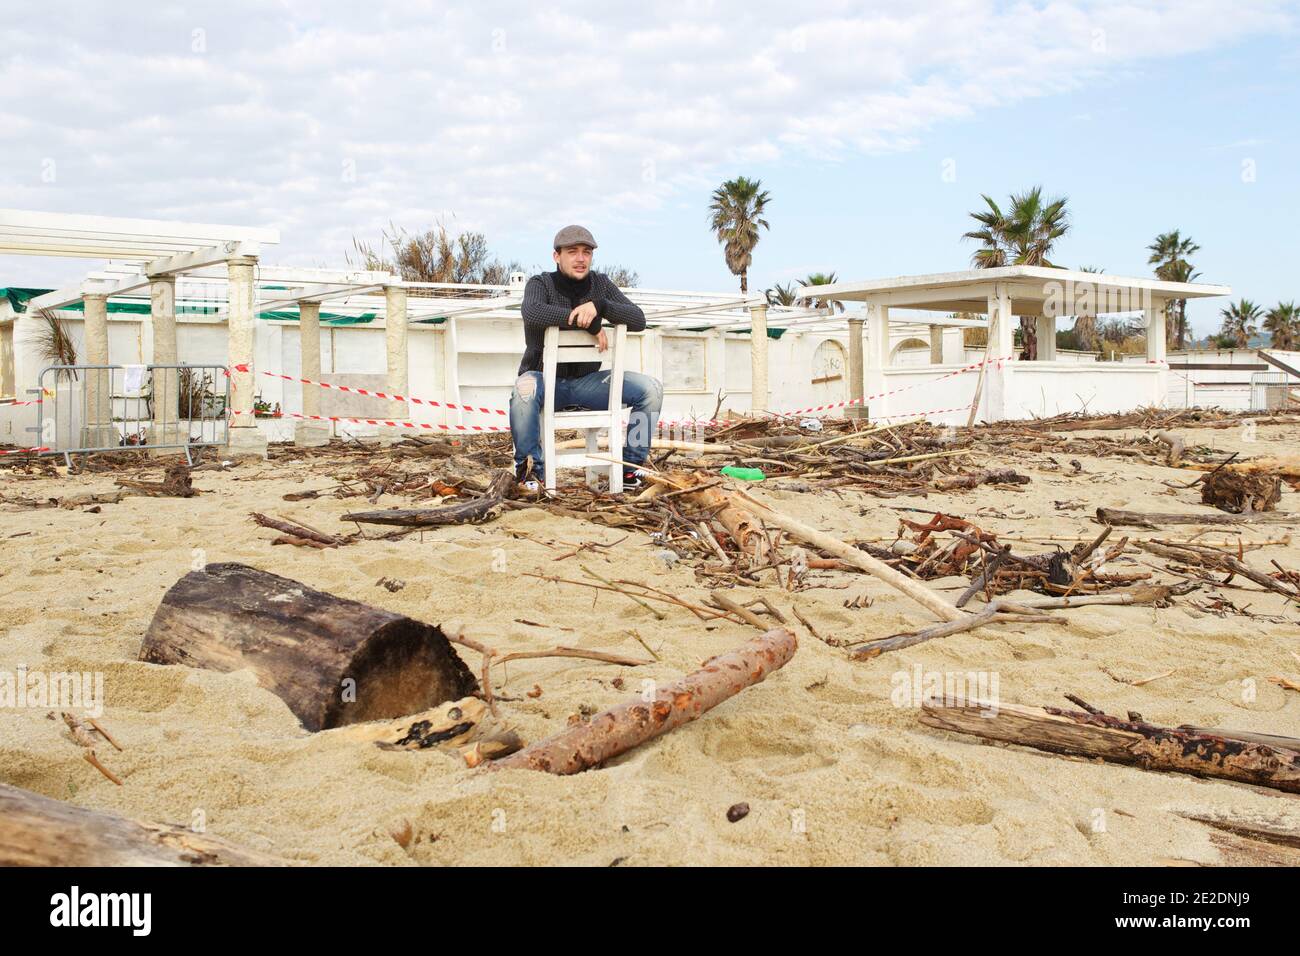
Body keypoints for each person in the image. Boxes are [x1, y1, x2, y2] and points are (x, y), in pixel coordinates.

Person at [510, 225, 663, 490]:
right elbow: (533, 313)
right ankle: (531, 472)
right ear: (556, 256)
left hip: (586, 383)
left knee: (651, 390)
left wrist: (600, 307)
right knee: (524, 388)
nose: (581, 258)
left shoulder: (601, 285)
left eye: (587, 252)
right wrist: (589, 324)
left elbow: (638, 320)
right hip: (544, 382)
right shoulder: (540, 284)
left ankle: (630, 468)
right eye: (572, 252)